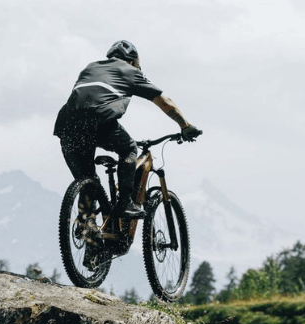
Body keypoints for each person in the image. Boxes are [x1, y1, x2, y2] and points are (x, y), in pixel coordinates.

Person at [54, 40, 202, 219]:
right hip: (98, 122)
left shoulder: (90, 68)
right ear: (132, 61)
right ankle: (125, 203)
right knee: (129, 148)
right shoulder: (129, 71)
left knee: (88, 182)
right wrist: (185, 125)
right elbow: (163, 100)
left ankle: (89, 231)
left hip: (66, 127)